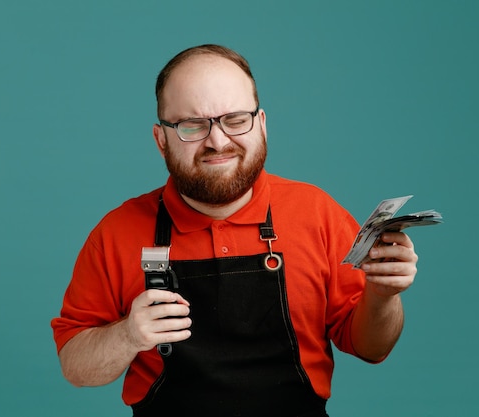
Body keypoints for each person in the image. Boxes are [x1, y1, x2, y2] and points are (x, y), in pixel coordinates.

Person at [51, 44, 419, 417]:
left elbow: (372, 348)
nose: (217, 141)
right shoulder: (116, 233)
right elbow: (75, 368)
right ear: (161, 140)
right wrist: (128, 335)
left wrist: (383, 294)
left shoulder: (319, 214)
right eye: (191, 125)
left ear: (261, 124)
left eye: (235, 119)